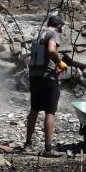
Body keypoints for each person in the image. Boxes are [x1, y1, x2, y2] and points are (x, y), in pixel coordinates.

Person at [25, 12, 67, 156]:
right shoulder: (53, 34)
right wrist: (60, 62)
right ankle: (48, 149)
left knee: (34, 110)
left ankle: (27, 144)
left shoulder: (38, 36)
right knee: (50, 112)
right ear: (59, 26)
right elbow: (51, 50)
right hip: (48, 77)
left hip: (34, 76)